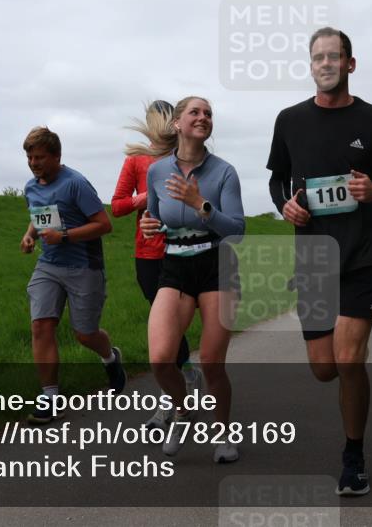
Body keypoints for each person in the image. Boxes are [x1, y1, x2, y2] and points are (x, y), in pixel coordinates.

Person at [266, 27, 372, 496]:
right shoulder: (289, 120)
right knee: (324, 367)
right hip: (312, 255)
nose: (326, 64)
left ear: (351, 64)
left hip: (362, 254)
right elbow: (277, 180)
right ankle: (353, 361)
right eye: (317, 57)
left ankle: (353, 455)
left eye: (334, 57)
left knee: (348, 359)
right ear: (310, 66)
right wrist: (284, 205)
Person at [140, 96, 245, 463]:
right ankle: (182, 411)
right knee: (160, 359)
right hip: (175, 264)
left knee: (213, 362)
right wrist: (149, 224)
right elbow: (154, 217)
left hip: (218, 263)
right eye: (195, 113)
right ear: (178, 125)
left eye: (208, 113)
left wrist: (202, 204)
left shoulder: (224, 172)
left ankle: (223, 434)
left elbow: (238, 230)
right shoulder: (156, 172)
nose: (203, 117)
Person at [19, 126, 126, 424]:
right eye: (29, 157)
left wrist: (64, 236)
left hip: (84, 267)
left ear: (57, 156)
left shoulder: (76, 184)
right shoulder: (31, 187)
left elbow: (104, 225)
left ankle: (110, 357)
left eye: (39, 157)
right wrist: (30, 236)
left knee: (85, 334)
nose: (33, 162)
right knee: (41, 325)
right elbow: (39, 216)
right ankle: (51, 398)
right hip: (49, 265)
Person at [111, 100, 203, 431]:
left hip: (179, 251)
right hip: (146, 255)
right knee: (163, 327)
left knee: (166, 332)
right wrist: (143, 199)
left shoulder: (186, 159)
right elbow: (118, 206)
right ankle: (188, 373)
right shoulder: (136, 161)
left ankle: (168, 405)